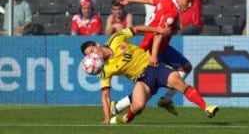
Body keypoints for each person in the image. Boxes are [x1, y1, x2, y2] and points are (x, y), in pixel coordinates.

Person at [80, 26, 219, 124]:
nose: (93, 54)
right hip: (142, 79)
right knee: (138, 106)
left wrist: (157, 30)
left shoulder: (115, 39)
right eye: (89, 54)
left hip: (154, 66)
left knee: (178, 83)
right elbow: (105, 95)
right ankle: (125, 118)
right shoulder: (104, 69)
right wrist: (106, 118)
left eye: (92, 50)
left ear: (97, 44)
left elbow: (137, 29)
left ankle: (206, 107)